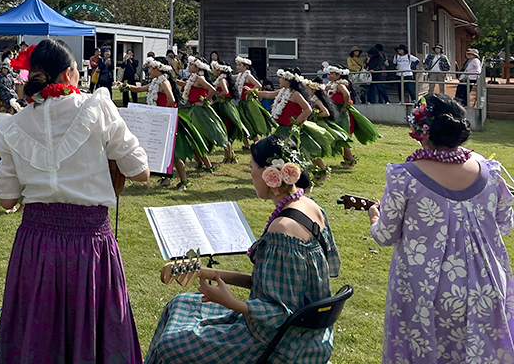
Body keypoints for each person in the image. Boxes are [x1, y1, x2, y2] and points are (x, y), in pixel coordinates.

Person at [0, 39, 150, 363]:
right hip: (89, 243)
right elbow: (141, 171)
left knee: (38, 337)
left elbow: (7, 199)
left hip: (36, 243)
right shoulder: (95, 107)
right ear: (69, 74)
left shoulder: (15, 123)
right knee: (94, 333)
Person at [147, 135, 340, 364]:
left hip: (280, 342)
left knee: (170, 347)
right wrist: (203, 272)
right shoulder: (311, 206)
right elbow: (280, 282)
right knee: (178, 304)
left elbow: (280, 312)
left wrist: (231, 303)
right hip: (309, 334)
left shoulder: (283, 230)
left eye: (251, 169)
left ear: (271, 176)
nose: (251, 177)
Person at [369, 93, 514, 363]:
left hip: (425, 292)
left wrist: (374, 217)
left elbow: (386, 235)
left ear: (420, 129)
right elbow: (505, 223)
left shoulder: (405, 177)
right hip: (487, 287)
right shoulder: (489, 170)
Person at [120, 56, 190, 189]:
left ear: (158, 69)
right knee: (161, 149)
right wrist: (126, 86)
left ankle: (183, 181)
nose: (149, 70)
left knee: (173, 153)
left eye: (151, 68)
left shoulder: (164, 82)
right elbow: (139, 89)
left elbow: (171, 99)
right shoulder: (155, 82)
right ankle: (165, 179)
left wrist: (162, 113)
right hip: (159, 121)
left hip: (167, 122)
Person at [324, 65, 381, 164]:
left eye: (331, 74)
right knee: (338, 136)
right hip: (334, 112)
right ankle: (348, 159)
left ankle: (350, 159)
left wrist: (345, 106)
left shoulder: (340, 84)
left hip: (341, 114)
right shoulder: (332, 84)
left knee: (342, 136)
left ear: (338, 75)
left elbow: (346, 94)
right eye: (328, 74)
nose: (329, 76)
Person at [177, 57, 222, 172]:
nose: (189, 67)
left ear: (197, 67)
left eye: (191, 65)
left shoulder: (200, 78)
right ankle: (200, 162)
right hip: (194, 110)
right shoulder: (193, 78)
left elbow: (212, 89)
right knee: (192, 136)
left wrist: (205, 100)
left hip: (200, 111)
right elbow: (186, 85)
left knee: (197, 137)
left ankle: (208, 165)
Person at [210, 62, 248, 161]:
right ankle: (230, 156)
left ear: (220, 70)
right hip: (224, 105)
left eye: (215, 69)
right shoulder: (222, 78)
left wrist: (217, 96)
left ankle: (230, 157)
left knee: (225, 131)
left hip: (224, 107)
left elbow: (225, 92)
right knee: (225, 131)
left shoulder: (222, 79)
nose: (213, 70)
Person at [232, 56, 272, 142]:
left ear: (245, 66)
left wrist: (251, 90)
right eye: (237, 65)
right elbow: (231, 76)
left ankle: (256, 141)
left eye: (240, 65)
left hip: (249, 103)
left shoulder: (248, 76)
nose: (237, 67)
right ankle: (246, 144)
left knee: (250, 122)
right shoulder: (240, 75)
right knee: (242, 122)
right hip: (242, 102)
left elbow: (259, 85)